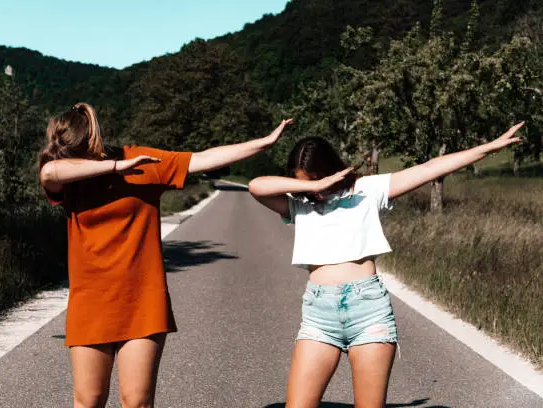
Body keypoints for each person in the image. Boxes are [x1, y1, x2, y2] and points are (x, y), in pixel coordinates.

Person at [248, 122, 524, 408]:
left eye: (318, 178)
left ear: (332, 168)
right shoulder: (297, 204)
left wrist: (489, 147)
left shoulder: (367, 190)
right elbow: (257, 186)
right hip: (319, 317)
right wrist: (312, 186)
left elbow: (431, 168)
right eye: (304, 181)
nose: (316, 191)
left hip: (367, 311)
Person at [38, 103, 292, 408]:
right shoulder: (70, 178)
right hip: (90, 302)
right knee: (88, 399)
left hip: (142, 300)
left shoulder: (142, 160)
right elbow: (49, 172)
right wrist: (116, 168)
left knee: (137, 401)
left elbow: (203, 158)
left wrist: (262, 143)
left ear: (90, 141)